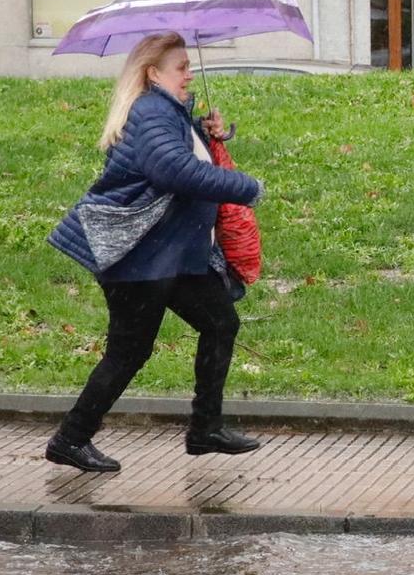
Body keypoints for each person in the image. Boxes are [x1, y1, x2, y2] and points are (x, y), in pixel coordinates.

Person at [44, 33, 265, 474]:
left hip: (172, 254)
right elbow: (173, 170)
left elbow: (181, 152)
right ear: (153, 74)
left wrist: (210, 131)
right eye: (181, 67)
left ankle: (206, 429)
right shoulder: (151, 112)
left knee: (221, 322)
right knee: (129, 352)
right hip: (138, 258)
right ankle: (70, 439)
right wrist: (246, 187)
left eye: (188, 65)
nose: (190, 74)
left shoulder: (169, 113)